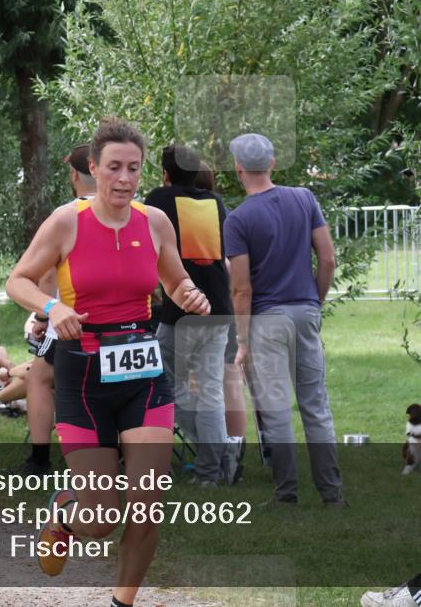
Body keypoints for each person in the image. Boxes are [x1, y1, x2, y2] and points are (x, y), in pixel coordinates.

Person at [5, 117, 210, 606]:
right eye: (114, 167)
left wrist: (191, 295)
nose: (123, 178)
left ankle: (122, 603)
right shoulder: (66, 222)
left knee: (147, 508)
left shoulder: (154, 222)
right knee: (99, 519)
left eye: (133, 169)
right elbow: (19, 280)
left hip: (143, 374)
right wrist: (53, 308)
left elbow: (175, 281)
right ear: (92, 168)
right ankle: (65, 512)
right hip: (83, 376)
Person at [223, 132, 344, 506]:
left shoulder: (238, 220)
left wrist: (242, 342)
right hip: (305, 310)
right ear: (272, 163)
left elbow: (241, 289)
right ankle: (332, 493)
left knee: (275, 409)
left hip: (266, 321)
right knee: (316, 406)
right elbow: (327, 259)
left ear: (239, 169)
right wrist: (314, 302)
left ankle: (286, 493)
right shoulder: (304, 198)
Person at [6, 143, 98, 479]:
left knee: (39, 377)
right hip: (127, 324)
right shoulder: (133, 213)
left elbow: (44, 275)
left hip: (72, 321)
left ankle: (40, 460)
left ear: (74, 174)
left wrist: (43, 316)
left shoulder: (66, 216)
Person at [145, 144, 233, 486]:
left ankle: (215, 459)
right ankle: (215, 468)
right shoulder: (215, 202)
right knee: (211, 390)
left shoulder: (161, 199)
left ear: (166, 175)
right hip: (218, 307)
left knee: (164, 383)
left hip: (182, 308)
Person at [195, 160, 248, 462]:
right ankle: (234, 449)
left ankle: (225, 449)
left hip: (210, 311)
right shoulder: (221, 215)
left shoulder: (193, 218)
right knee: (229, 379)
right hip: (224, 310)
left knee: (224, 379)